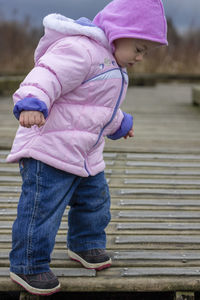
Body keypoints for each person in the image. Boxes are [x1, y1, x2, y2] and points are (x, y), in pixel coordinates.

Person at [7, 0, 168, 295]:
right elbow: (47, 75)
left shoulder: (111, 63)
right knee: (41, 210)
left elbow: (93, 105)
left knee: (95, 203)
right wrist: (32, 101)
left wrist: (119, 123)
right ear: (119, 33)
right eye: (139, 49)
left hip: (84, 154)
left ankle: (86, 244)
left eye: (144, 52)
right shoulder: (80, 50)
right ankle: (28, 264)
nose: (140, 58)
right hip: (50, 150)